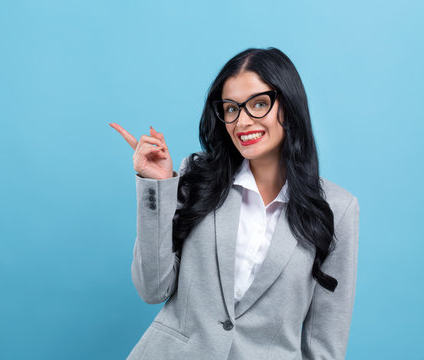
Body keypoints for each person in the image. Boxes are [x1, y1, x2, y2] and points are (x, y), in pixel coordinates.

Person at [109, 47, 360, 360]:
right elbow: (152, 289)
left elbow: (326, 342)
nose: (242, 122)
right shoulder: (198, 176)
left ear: (290, 106)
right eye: (231, 109)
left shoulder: (338, 209)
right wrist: (158, 186)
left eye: (259, 104)